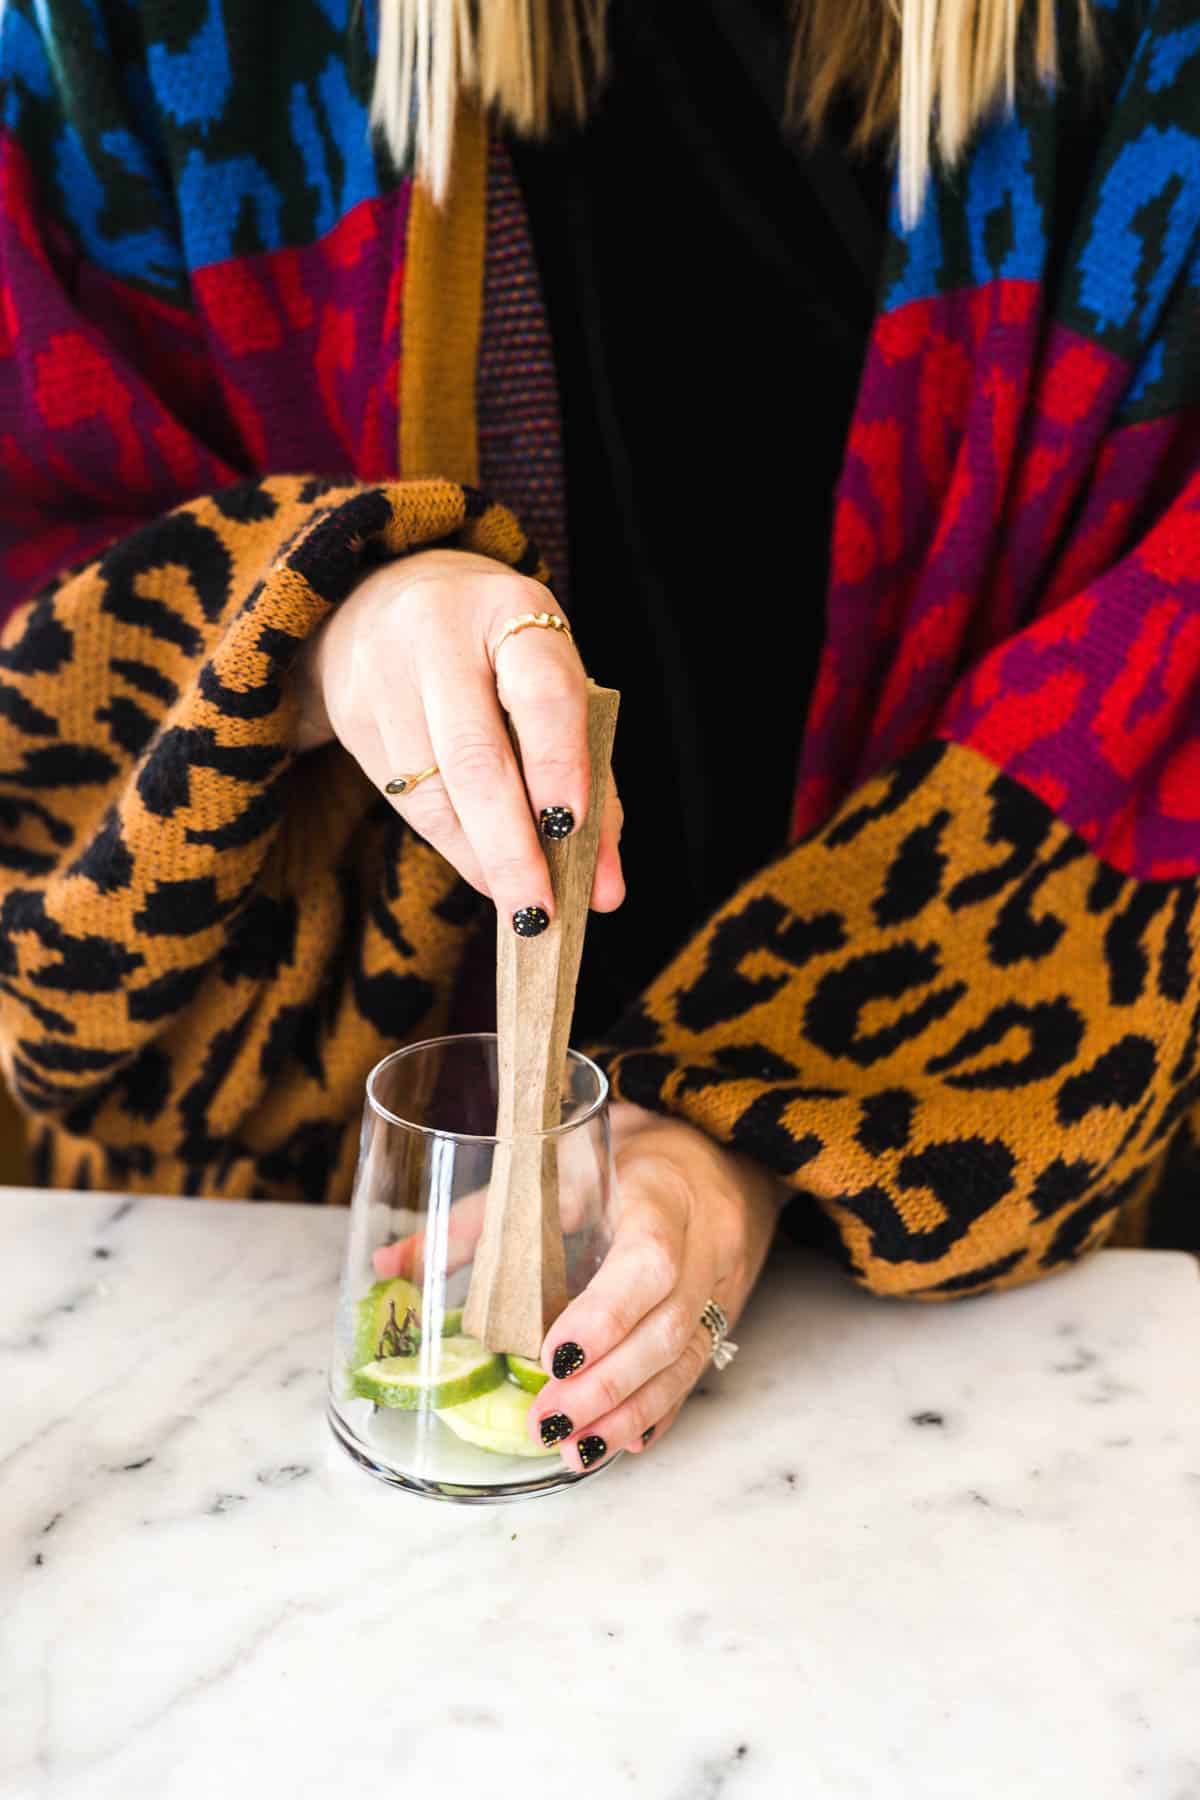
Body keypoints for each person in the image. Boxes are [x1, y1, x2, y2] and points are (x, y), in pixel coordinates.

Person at [0, 0, 1196, 1472]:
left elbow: (1165, 702)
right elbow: (29, 557)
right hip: (229, 1328)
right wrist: (317, 626)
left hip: (923, 1333)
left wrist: (749, 1132)